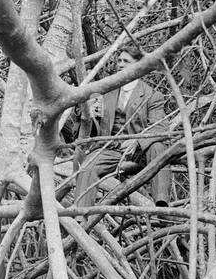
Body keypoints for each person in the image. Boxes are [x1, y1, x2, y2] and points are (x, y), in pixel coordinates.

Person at [74, 48, 173, 207]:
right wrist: (89, 114)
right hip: (111, 149)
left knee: (159, 146)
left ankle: (161, 204)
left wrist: (137, 142)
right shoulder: (106, 90)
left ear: (138, 65)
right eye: (118, 61)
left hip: (140, 153)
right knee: (88, 166)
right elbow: (90, 132)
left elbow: (159, 127)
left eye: (126, 61)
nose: (120, 65)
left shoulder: (152, 95)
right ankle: (80, 214)